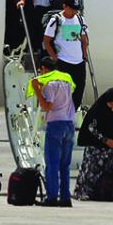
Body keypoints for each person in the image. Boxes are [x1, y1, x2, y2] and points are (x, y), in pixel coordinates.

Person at [30, 56, 76, 207]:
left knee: (52, 164)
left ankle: (51, 197)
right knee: (65, 165)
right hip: (69, 124)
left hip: (56, 124)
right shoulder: (66, 81)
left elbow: (46, 106)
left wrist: (37, 89)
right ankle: (65, 198)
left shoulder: (49, 84)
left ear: (44, 69)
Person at [74, 88, 113, 201]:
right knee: (90, 168)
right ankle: (82, 191)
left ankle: (105, 192)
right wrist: (105, 140)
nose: (112, 106)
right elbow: (91, 128)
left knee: (110, 168)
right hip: (95, 143)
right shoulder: (98, 109)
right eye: (110, 104)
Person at [43, 0, 88, 109]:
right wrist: (55, 58)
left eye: (76, 9)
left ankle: (72, 114)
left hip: (79, 62)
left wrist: (84, 55)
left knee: (78, 92)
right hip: (64, 62)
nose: (74, 11)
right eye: (72, 8)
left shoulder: (80, 19)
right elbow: (47, 41)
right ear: (64, 6)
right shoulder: (57, 20)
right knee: (63, 94)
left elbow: (83, 39)